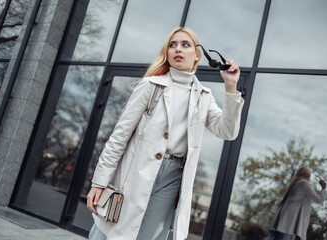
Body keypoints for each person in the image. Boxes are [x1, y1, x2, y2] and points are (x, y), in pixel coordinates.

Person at [86, 27, 245, 240]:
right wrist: (99, 181)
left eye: (185, 44)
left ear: (197, 55)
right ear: (167, 53)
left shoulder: (204, 96)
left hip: (172, 177)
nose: (178, 49)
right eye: (173, 45)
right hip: (136, 170)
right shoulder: (150, 86)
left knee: (147, 235)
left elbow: (227, 131)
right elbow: (119, 136)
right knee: (111, 229)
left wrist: (231, 87)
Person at [264, 167, 327, 240]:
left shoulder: (296, 183)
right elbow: (319, 200)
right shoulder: (304, 183)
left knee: (272, 238)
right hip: (290, 221)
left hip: (284, 218)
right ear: (308, 176)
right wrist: (323, 188)